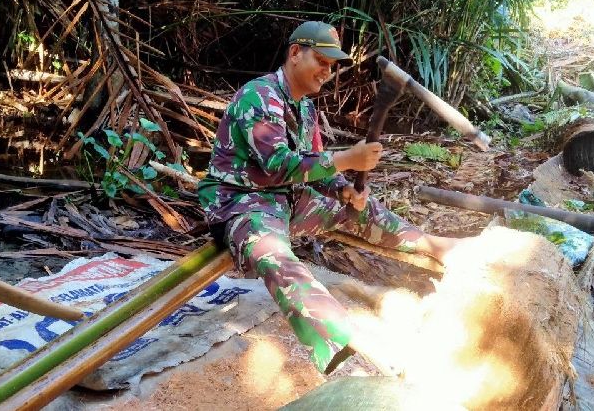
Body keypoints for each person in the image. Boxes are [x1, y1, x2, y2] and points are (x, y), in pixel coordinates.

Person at [198, 21, 462, 375]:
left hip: (287, 200)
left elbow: (316, 168)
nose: (327, 71)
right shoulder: (257, 97)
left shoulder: (306, 109)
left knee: (360, 209)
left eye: (332, 65)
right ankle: (342, 344)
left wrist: (343, 188)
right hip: (241, 204)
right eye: (321, 61)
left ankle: (432, 245)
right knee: (277, 257)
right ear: (295, 53)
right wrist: (348, 159)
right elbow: (278, 164)